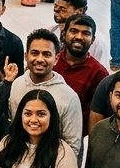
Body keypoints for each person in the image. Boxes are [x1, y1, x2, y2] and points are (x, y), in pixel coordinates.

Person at [7, 30, 83, 158]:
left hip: (51, 165)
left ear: (56, 58)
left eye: (46, 54)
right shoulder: (17, 85)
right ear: (26, 56)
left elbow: (73, 146)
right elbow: (13, 126)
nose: (40, 59)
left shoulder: (68, 96)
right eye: (35, 53)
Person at [55, 15, 109, 122]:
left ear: (93, 40)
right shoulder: (51, 63)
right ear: (64, 34)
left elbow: (96, 115)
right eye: (74, 31)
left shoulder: (99, 74)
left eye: (86, 33)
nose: (79, 37)